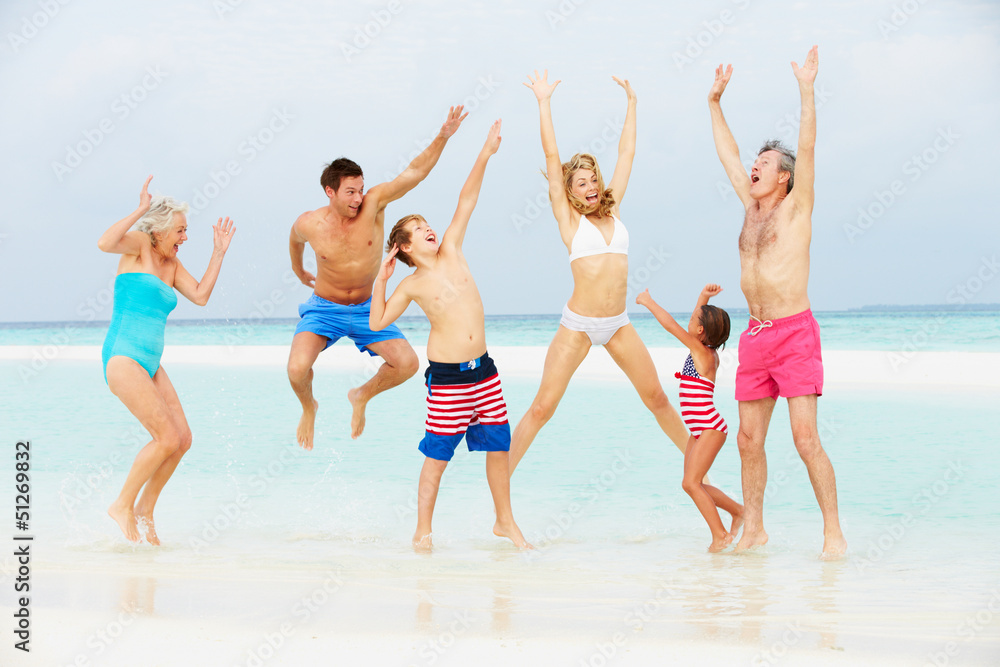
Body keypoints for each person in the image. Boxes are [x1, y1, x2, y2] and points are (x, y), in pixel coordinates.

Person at [509, 71, 688, 475]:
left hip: (618, 323)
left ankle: (698, 467)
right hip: (578, 326)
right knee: (542, 407)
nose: (589, 186)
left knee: (657, 398)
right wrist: (543, 102)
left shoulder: (615, 209)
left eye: (592, 180)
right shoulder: (570, 223)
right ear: (570, 193)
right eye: (580, 183)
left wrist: (632, 103)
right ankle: (500, 480)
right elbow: (553, 160)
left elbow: (627, 154)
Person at [708, 46, 847, 557]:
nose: (754, 167)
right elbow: (727, 153)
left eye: (764, 163)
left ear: (784, 176)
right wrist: (715, 103)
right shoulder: (750, 209)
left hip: (794, 333)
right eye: (756, 161)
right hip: (756, 336)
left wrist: (806, 89)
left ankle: (832, 530)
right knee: (748, 441)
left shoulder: (796, 209)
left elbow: (807, 150)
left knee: (805, 439)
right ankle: (755, 529)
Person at [369, 120, 531, 551]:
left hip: (485, 372)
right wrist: (382, 279)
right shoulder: (411, 284)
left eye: (427, 222)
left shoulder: (453, 249)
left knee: (499, 446)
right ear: (403, 246)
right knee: (438, 457)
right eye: (418, 227)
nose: (429, 228)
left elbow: (467, 199)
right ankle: (422, 531)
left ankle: (505, 523)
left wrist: (485, 152)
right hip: (448, 381)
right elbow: (376, 323)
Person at [287, 106, 468, 447]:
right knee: (297, 370)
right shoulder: (309, 223)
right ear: (330, 191)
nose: (358, 198)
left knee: (407, 364)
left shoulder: (375, 204)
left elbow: (414, 173)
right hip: (325, 309)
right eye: (350, 192)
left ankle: (361, 395)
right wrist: (298, 270)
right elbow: (294, 241)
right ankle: (309, 406)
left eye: (360, 189)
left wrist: (442, 136)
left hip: (370, 309)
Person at [98, 175, 235, 544]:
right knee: (165, 437)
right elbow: (104, 242)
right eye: (180, 230)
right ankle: (122, 504)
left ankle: (145, 509)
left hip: (150, 363)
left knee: (182, 439)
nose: (184, 237)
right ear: (159, 230)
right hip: (123, 357)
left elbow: (201, 296)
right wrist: (140, 208)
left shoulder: (172, 266)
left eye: (186, 231)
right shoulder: (138, 246)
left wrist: (218, 252)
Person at [636, 285, 744, 552]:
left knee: (691, 483)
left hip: (709, 427)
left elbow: (671, 325)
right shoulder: (703, 349)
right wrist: (704, 297)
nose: (690, 320)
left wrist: (648, 301)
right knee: (692, 484)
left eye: (694, 320)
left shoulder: (700, 352)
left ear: (699, 331)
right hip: (700, 430)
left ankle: (720, 535)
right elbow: (694, 319)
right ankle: (739, 512)